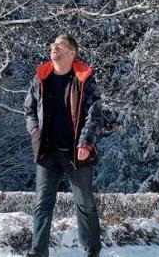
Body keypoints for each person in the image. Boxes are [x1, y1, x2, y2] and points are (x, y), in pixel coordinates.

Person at [24, 34, 103, 257]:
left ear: (71, 53)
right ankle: (38, 251)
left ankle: (92, 249)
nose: (54, 48)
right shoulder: (40, 78)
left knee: (85, 203)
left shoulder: (84, 79)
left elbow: (94, 115)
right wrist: (34, 131)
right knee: (42, 203)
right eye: (52, 45)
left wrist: (86, 142)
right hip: (47, 152)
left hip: (76, 153)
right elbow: (29, 109)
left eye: (60, 45)